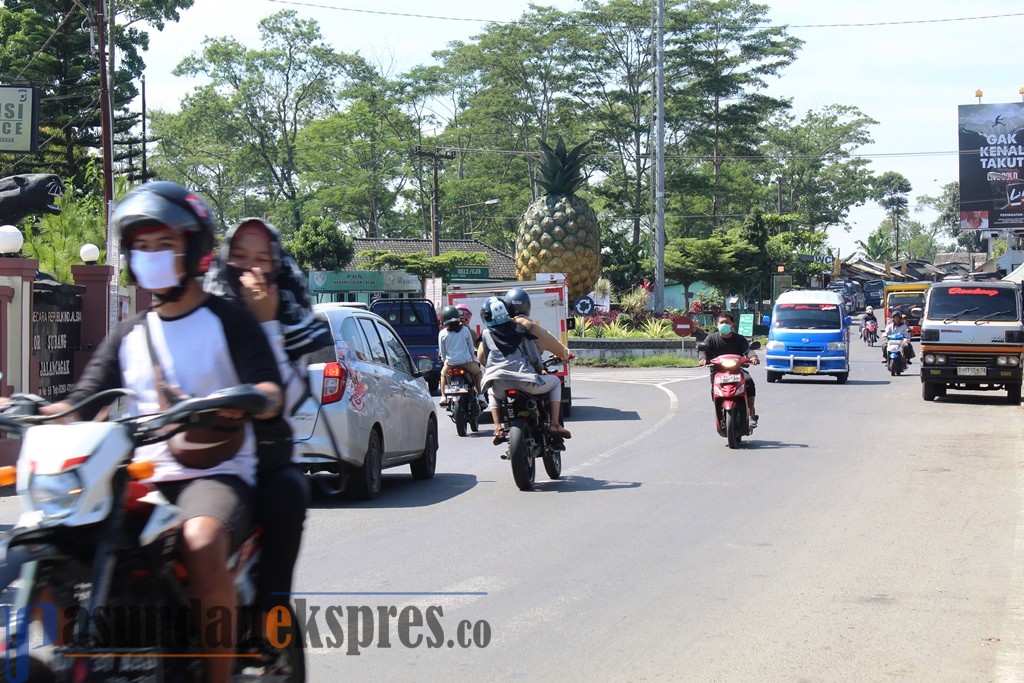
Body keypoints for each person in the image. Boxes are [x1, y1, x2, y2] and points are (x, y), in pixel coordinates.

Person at [42, 182, 283, 683]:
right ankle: (77, 660)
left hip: (213, 472)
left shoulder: (229, 320)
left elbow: (269, 387)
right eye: (141, 247)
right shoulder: (129, 334)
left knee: (200, 540)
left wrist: (250, 396)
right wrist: (33, 411)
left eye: (164, 244)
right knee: (51, 547)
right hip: (136, 474)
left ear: (193, 251)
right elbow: (82, 401)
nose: (151, 256)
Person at [204, 217, 332, 662]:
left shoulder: (290, 319)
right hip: (201, 456)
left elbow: (288, 395)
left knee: (287, 492)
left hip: (264, 454)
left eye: (261, 260)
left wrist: (266, 325)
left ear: (276, 268)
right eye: (239, 258)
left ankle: (268, 614)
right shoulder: (200, 312)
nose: (249, 270)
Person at [478, 295, 571, 445]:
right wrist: (540, 369)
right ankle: (554, 424)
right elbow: (534, 357)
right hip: (524, 381)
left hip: (500, 385)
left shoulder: (486, 334)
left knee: (491, 390)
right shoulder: (520, 331)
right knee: (554, 382)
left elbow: (484, 358)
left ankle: (498, 428)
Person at [698, 311, 760, 427]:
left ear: (732, 324)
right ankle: (719, 413)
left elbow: (748, 351)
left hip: (737, 370)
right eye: (721, 322)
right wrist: (702, 359)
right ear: (717, 324)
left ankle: (751, 413)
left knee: (749, 382)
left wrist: (753, 357)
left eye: (727, 322)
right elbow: (703, 350)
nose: (724, 325)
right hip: (717, 371)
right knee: (714, 390)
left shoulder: (740, 339)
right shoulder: (711, 338)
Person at [438, 304, 482, 406]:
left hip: (451, 364)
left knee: (443, 375)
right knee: (478, 373)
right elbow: (471, 347)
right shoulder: (465, 330)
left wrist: (445, 360)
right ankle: (480, 395)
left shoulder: (442, 333)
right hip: (466, 362)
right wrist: (473, 359)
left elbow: (442, 351)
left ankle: (443, 396)